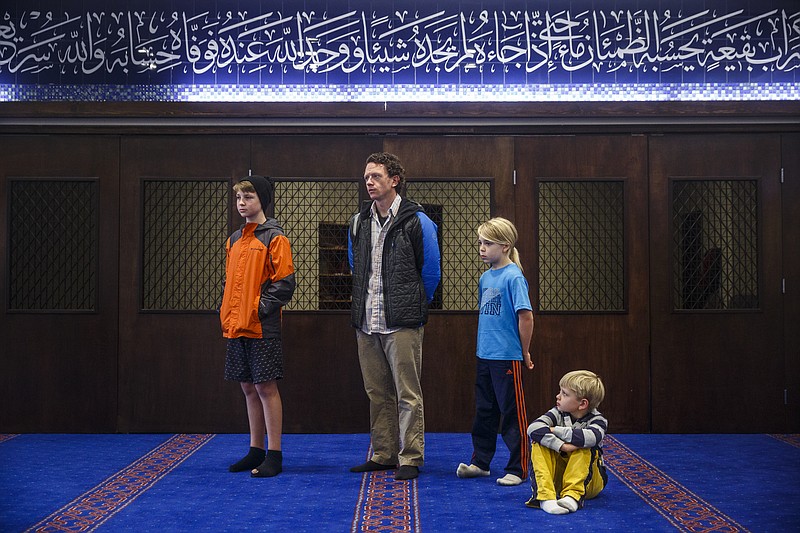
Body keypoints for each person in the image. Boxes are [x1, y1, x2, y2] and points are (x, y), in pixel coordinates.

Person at [347, 152, 441, 481]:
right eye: (367, 176)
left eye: (375, 176)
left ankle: (411, 457)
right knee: (377, 392)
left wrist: (413, 305)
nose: (369, 182)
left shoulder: (417, 221)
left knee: (407, 393)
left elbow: (430, 273)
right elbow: (355, 266)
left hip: (402, 321)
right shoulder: (359, 221)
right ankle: (384, 453)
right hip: (366, 322)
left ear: (394, 180)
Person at [219, 175, 296, 478]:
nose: (242, 203)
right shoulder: (234, 240)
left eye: (248, 197)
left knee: (266, 387)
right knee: (248, 388)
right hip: (236, 326)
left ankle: (274, 454)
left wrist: (257, 310)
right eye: (238, 198)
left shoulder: (275, 237)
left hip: (262, 327)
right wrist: (225, 309)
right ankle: (255, 450)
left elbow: (284, 285)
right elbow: (229, 282)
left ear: (262, 200)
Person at [456, 217, 534, 487]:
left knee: (512, 412)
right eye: (480, 242)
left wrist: (524, 351)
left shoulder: (514, 277)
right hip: (485, 355)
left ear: (505, 246)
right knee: (484, 410)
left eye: (487, 243)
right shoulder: (486, 277)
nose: (481, 248)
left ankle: (519, 467)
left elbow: (525, 316)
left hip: (506, 356)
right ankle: (481, 462)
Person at [525, 370, 608, 514]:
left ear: (582, 404)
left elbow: (591, 437)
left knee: (585, 446)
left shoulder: (598, 420)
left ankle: (573, 496)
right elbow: (533, 428)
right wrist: (562, 446)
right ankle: (546, 498)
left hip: (590, 483)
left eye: (565, 394)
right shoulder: (557, 412)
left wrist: (556, 430)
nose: (558, 396)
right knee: (539, 442)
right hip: (559, 480)